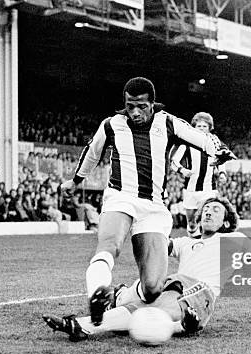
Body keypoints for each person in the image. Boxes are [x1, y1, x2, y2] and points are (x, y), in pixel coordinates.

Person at [59, 77, 235, 325]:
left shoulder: (168, 123)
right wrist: (75, 180)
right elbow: (92, 151)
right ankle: (97, 293)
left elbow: (201, 139)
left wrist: (219, 153)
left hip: (153, 206)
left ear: (152, 104)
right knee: (110, 244)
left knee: (152, 287)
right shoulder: (112, 125)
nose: (134, 112)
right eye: (129, 106)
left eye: (141, 106)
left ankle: (119, 296)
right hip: (121, 196)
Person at [43, 196, 251, 341]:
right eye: (205, 209)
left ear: (225, 222)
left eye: (216, 210)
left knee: (155, 303)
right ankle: (180, 324)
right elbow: (155, 249)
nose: (208, 211)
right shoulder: (184, 243)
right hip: (176, 286)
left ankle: (84, 325)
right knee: (137, 301)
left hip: (200, 292)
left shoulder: (235, 241)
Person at [171, 112, 227, 238]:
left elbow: (223, 158)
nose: (201, 129)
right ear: (194, 128)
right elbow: (174, 162)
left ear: (209, 128)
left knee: (207, 220)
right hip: (190, 190)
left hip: (209, 190)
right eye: (199, 126)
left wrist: (222, 173)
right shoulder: (186, 143)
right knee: (191, 223)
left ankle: (205, 247)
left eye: (204, 126)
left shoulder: (215, 143)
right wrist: (182, 170)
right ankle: (193, 244)